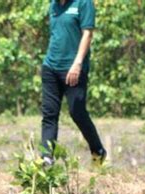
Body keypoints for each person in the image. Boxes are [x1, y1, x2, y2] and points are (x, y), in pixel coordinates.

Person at [41, 0, 106, 164]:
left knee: (77, 111)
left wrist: (77, 64)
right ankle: (47, 157)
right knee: (49, 114)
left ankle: (97, 151)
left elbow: (87, 34)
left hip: (74, 68)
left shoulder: (83, 3)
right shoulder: (53, 4)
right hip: (51, 66)